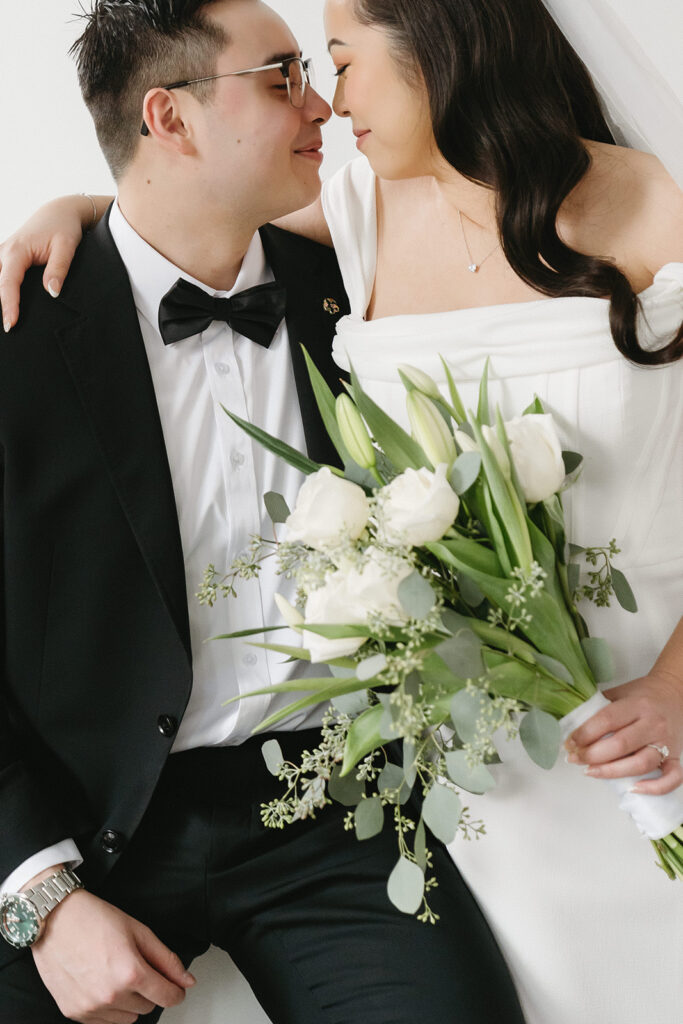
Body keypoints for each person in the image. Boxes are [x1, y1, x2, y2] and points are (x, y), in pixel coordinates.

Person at [1, 0, 682, 1021]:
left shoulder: (340, 266)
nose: (321, 101)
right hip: (96, 825)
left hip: (346, 806)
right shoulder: (25, 328)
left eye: (329, 66)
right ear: (171, 121)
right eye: (287, 77)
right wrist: (42, 899)